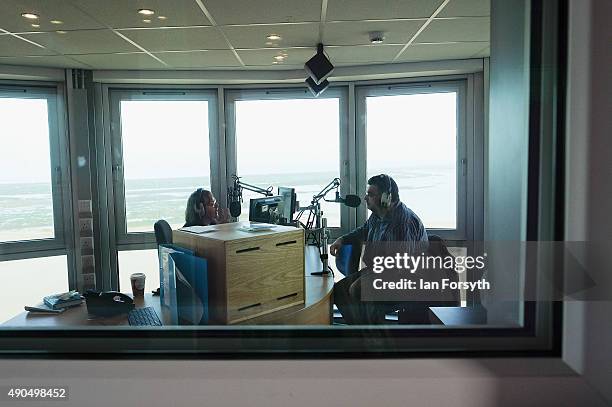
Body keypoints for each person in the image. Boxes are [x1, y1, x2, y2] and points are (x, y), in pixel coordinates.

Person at [330, 174, 428, 324]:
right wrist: (342, 239)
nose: (365, 198)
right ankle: (362, 332)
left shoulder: (403, 221)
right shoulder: (378, 215)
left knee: (359, 290)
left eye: (370, 194)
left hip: (406, 278)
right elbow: (363, 230)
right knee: (339, 291)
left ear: (385, 197)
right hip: (381, 270)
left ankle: (376, 338)